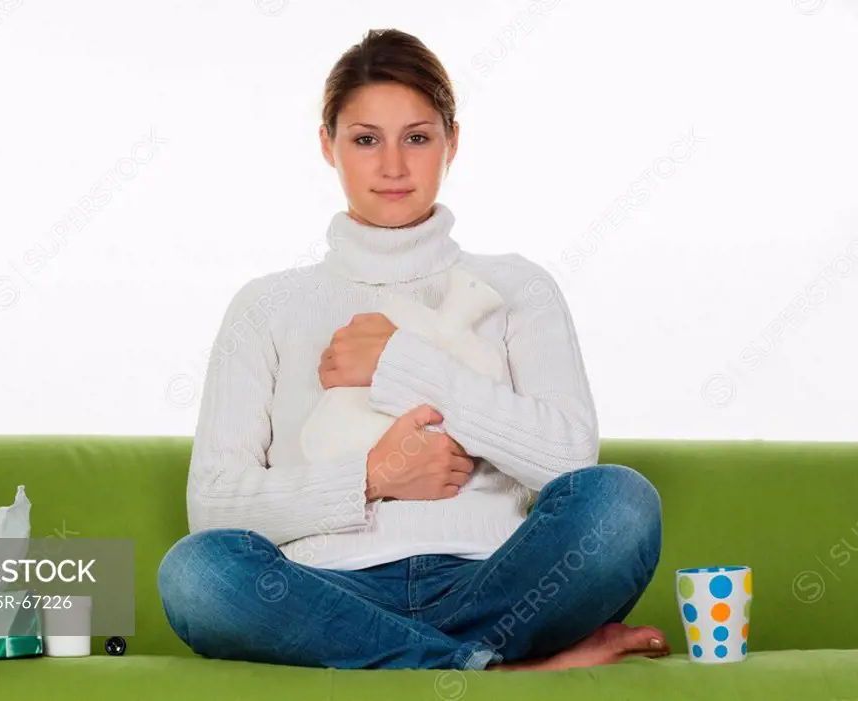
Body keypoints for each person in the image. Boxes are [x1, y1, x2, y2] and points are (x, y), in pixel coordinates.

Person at [157, 27, 670, 671]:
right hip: (326, 594)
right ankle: (493, 669)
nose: (393, 166)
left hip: (498, 585)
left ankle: (420, 659)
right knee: (196, 574)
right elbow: (213, 505)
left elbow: (569, 458)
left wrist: (398, 362)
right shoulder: (265, 307)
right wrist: (374, 477)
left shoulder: (518, 288)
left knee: (622, 503)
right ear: (328, 145)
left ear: (452, 142)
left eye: (418, 138)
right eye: (366, 139)